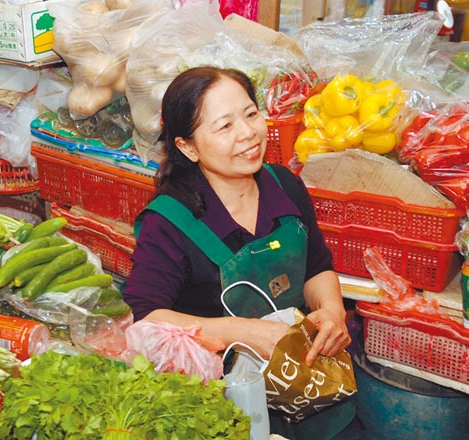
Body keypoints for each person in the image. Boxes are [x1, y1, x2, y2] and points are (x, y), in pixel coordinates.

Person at [122, 66, 358, 440]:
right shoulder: (170, 222)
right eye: (224, 126)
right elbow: (144, 317)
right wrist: (242, 332)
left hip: (311, 386)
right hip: (224, 403)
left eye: (250, 114)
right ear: (187, 146)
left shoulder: (286, 186)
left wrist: (330, 312)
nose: (248, 133)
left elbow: (317, 267)